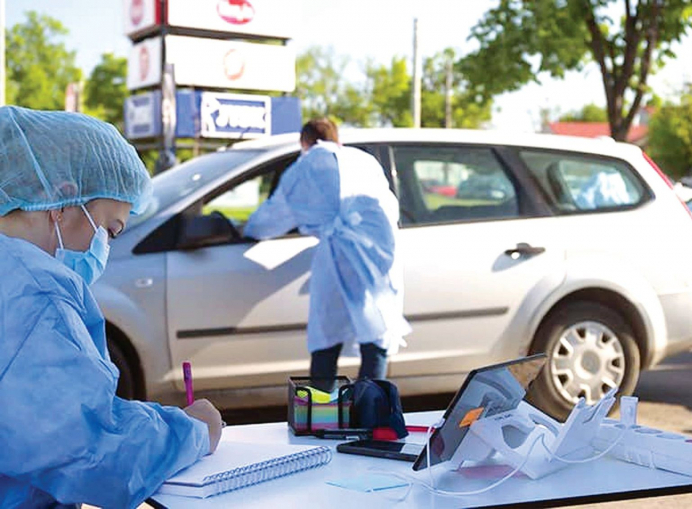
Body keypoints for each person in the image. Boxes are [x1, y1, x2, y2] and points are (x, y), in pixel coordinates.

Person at [0, 107, 223, 509]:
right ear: (64, 198)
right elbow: (92, 453)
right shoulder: (34, 293)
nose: (103, 246)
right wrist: (192, 431)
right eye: (108, 229)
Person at [243, 119, 410, 392]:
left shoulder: (306, 167)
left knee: (325, 337)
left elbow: (272, 218)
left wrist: (247, 229)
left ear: (304, 143)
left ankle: (322, 413)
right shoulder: (364, 161)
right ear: (338, 138)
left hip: (338, 254)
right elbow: (387, 205)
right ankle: (371, 410)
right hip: (379, 253)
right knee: (376, 331)